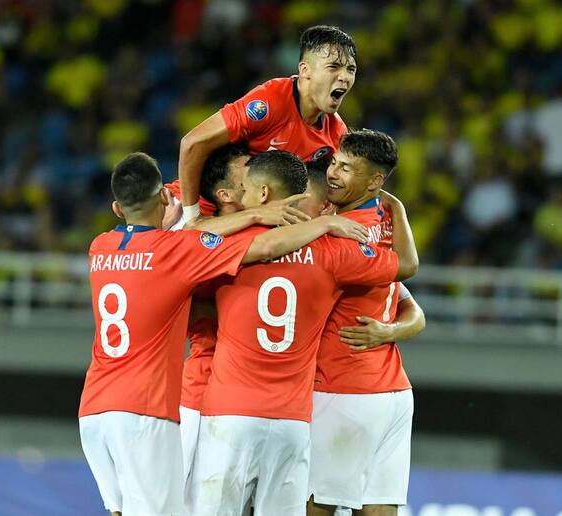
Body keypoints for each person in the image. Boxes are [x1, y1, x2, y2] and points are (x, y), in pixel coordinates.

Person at [78, 152, 368, 516]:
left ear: (117, 209)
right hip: (145, 409)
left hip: (94, 410)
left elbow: (186, 239)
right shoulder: (175, 252)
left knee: (122, 510)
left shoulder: (100, 247)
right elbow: (262, 246)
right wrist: (321, 226)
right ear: (165, 198)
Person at [187, 150, 418, 516]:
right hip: (292, 418)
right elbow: (404, 269)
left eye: (245, 188)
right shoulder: (332, 249)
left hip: (231, 411)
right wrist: (390, 213)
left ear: (263, 195)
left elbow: (187, 237)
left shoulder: (235, 248)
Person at [179, 144, 368, 485]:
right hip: (220, 400)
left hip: (234, 405)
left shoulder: (223, 244)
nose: (252, 171)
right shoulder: (324, 245)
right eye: (246, 168)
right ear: (228, 192)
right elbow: (401, 267)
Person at [309, 130, 425, 516]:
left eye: (347, 168)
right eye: (335, 163)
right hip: (392, 394)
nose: (333, 174)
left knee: (316, 506)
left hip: (344, 390)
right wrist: (392, 331)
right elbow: (413, 309)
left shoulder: (345, 239)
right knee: (378, 507)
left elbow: (407, 272)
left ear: (375, 180)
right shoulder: (386, 221)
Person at [178, 25, 357, 222]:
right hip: (201, 208)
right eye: (333, 67)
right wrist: (191, 216)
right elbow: (192, 143)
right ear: (305, 70)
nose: (344, 77)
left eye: (351, 69)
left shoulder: (335, 131)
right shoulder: (270, 103)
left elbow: (344, 185)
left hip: (254, 220)